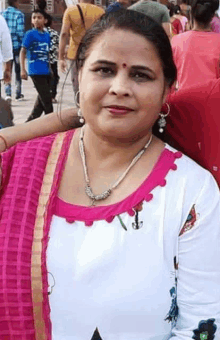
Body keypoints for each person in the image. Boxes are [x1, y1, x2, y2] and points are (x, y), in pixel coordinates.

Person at [0, 9, 220, 340]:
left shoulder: (192, 190)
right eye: (103, 70)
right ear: (78, 77)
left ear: (166, 92)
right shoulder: (16, 169)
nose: (120, 87)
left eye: (142, 75)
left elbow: (201, 326)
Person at [172, 0, 220, 91]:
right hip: (212, 101)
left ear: (191, 13)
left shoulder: (176, 41)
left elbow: (171, 77)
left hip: (183, 100)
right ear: (212, 16)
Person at [59, 0, 104, 94]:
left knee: (77, 82)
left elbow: (64, 34)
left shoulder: (71, 11)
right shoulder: (100, 12)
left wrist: (61, 57)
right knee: (93, 81)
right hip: (94, 53)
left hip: (75, 54)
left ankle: (79, 105)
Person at [20, 9, 53, 122]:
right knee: (48, 103)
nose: (36, 20)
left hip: (46, 71)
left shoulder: (47, 35)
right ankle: (52, 125)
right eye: (34, 18)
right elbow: (23, 51)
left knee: (40, 104)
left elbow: (47, 53)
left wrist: (50, 69)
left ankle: (28, 125)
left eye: (39, 17)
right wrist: (22, 70)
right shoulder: (30, 34)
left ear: (45, 20)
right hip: (35, 71)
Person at [2, 0, 25, 104]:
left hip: (4, 48)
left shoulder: (2, 14)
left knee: (7, 69)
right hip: (16, 47)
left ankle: (7, 94)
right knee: (18, 69)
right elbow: (20, 32)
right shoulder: (19, 14)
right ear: (15, 2)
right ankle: (18, 93)